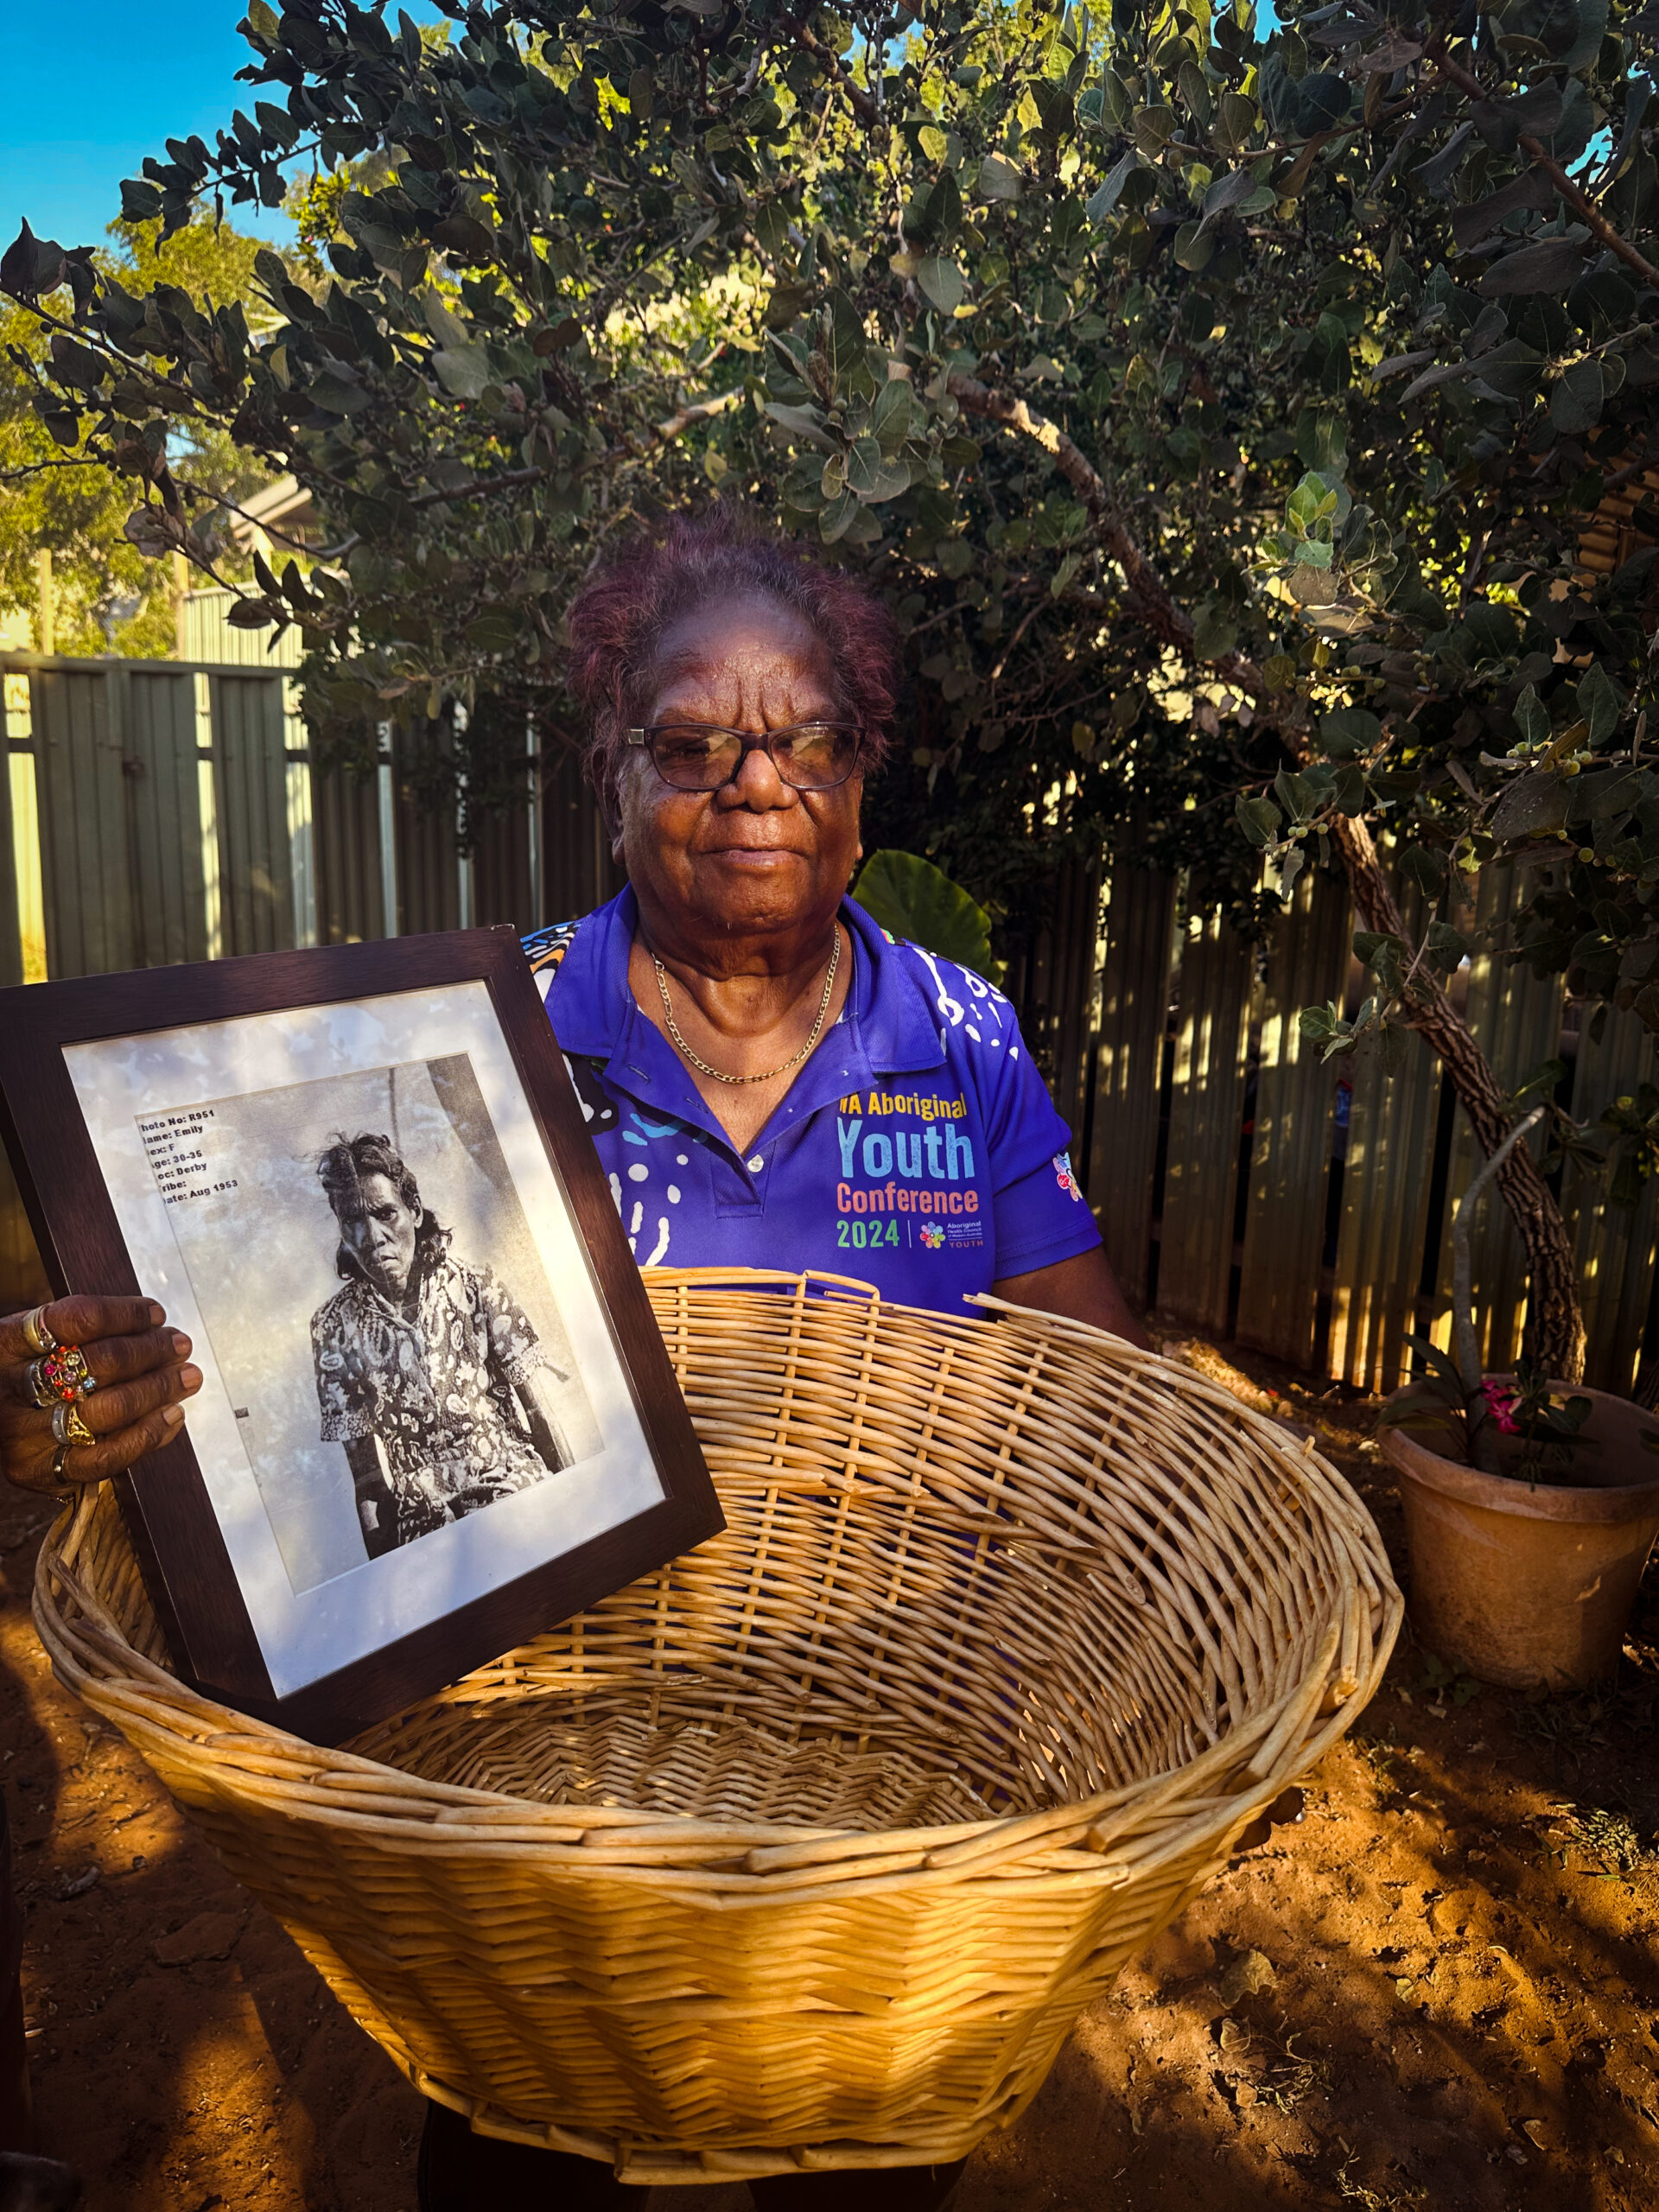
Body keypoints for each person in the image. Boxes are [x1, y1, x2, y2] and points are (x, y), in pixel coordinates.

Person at [0, 513, 1149, 2210]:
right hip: (543, 1794)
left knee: (861, 2169)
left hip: (882, 1791)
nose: (753, 780)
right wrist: (111, 1377)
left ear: (863, 769)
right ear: (612, 770)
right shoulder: (491, 1030)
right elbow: (278, 1341)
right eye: (691, 741)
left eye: (805, 735)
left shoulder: (960, 1032)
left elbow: (1097, 1373)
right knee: (521, 2160)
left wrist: (1162, 1664)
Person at [310, 1132, 571, 1559]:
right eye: (352, 1221)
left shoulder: (474, 1285)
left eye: (384, 1213)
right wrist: (391, 1576)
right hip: (427, 1532)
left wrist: (578, 1509)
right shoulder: (334, 1328)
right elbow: (367, 1480)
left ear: (413, 1210)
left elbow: (539, 1411)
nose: (372, 1235)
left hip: (519, 1493)